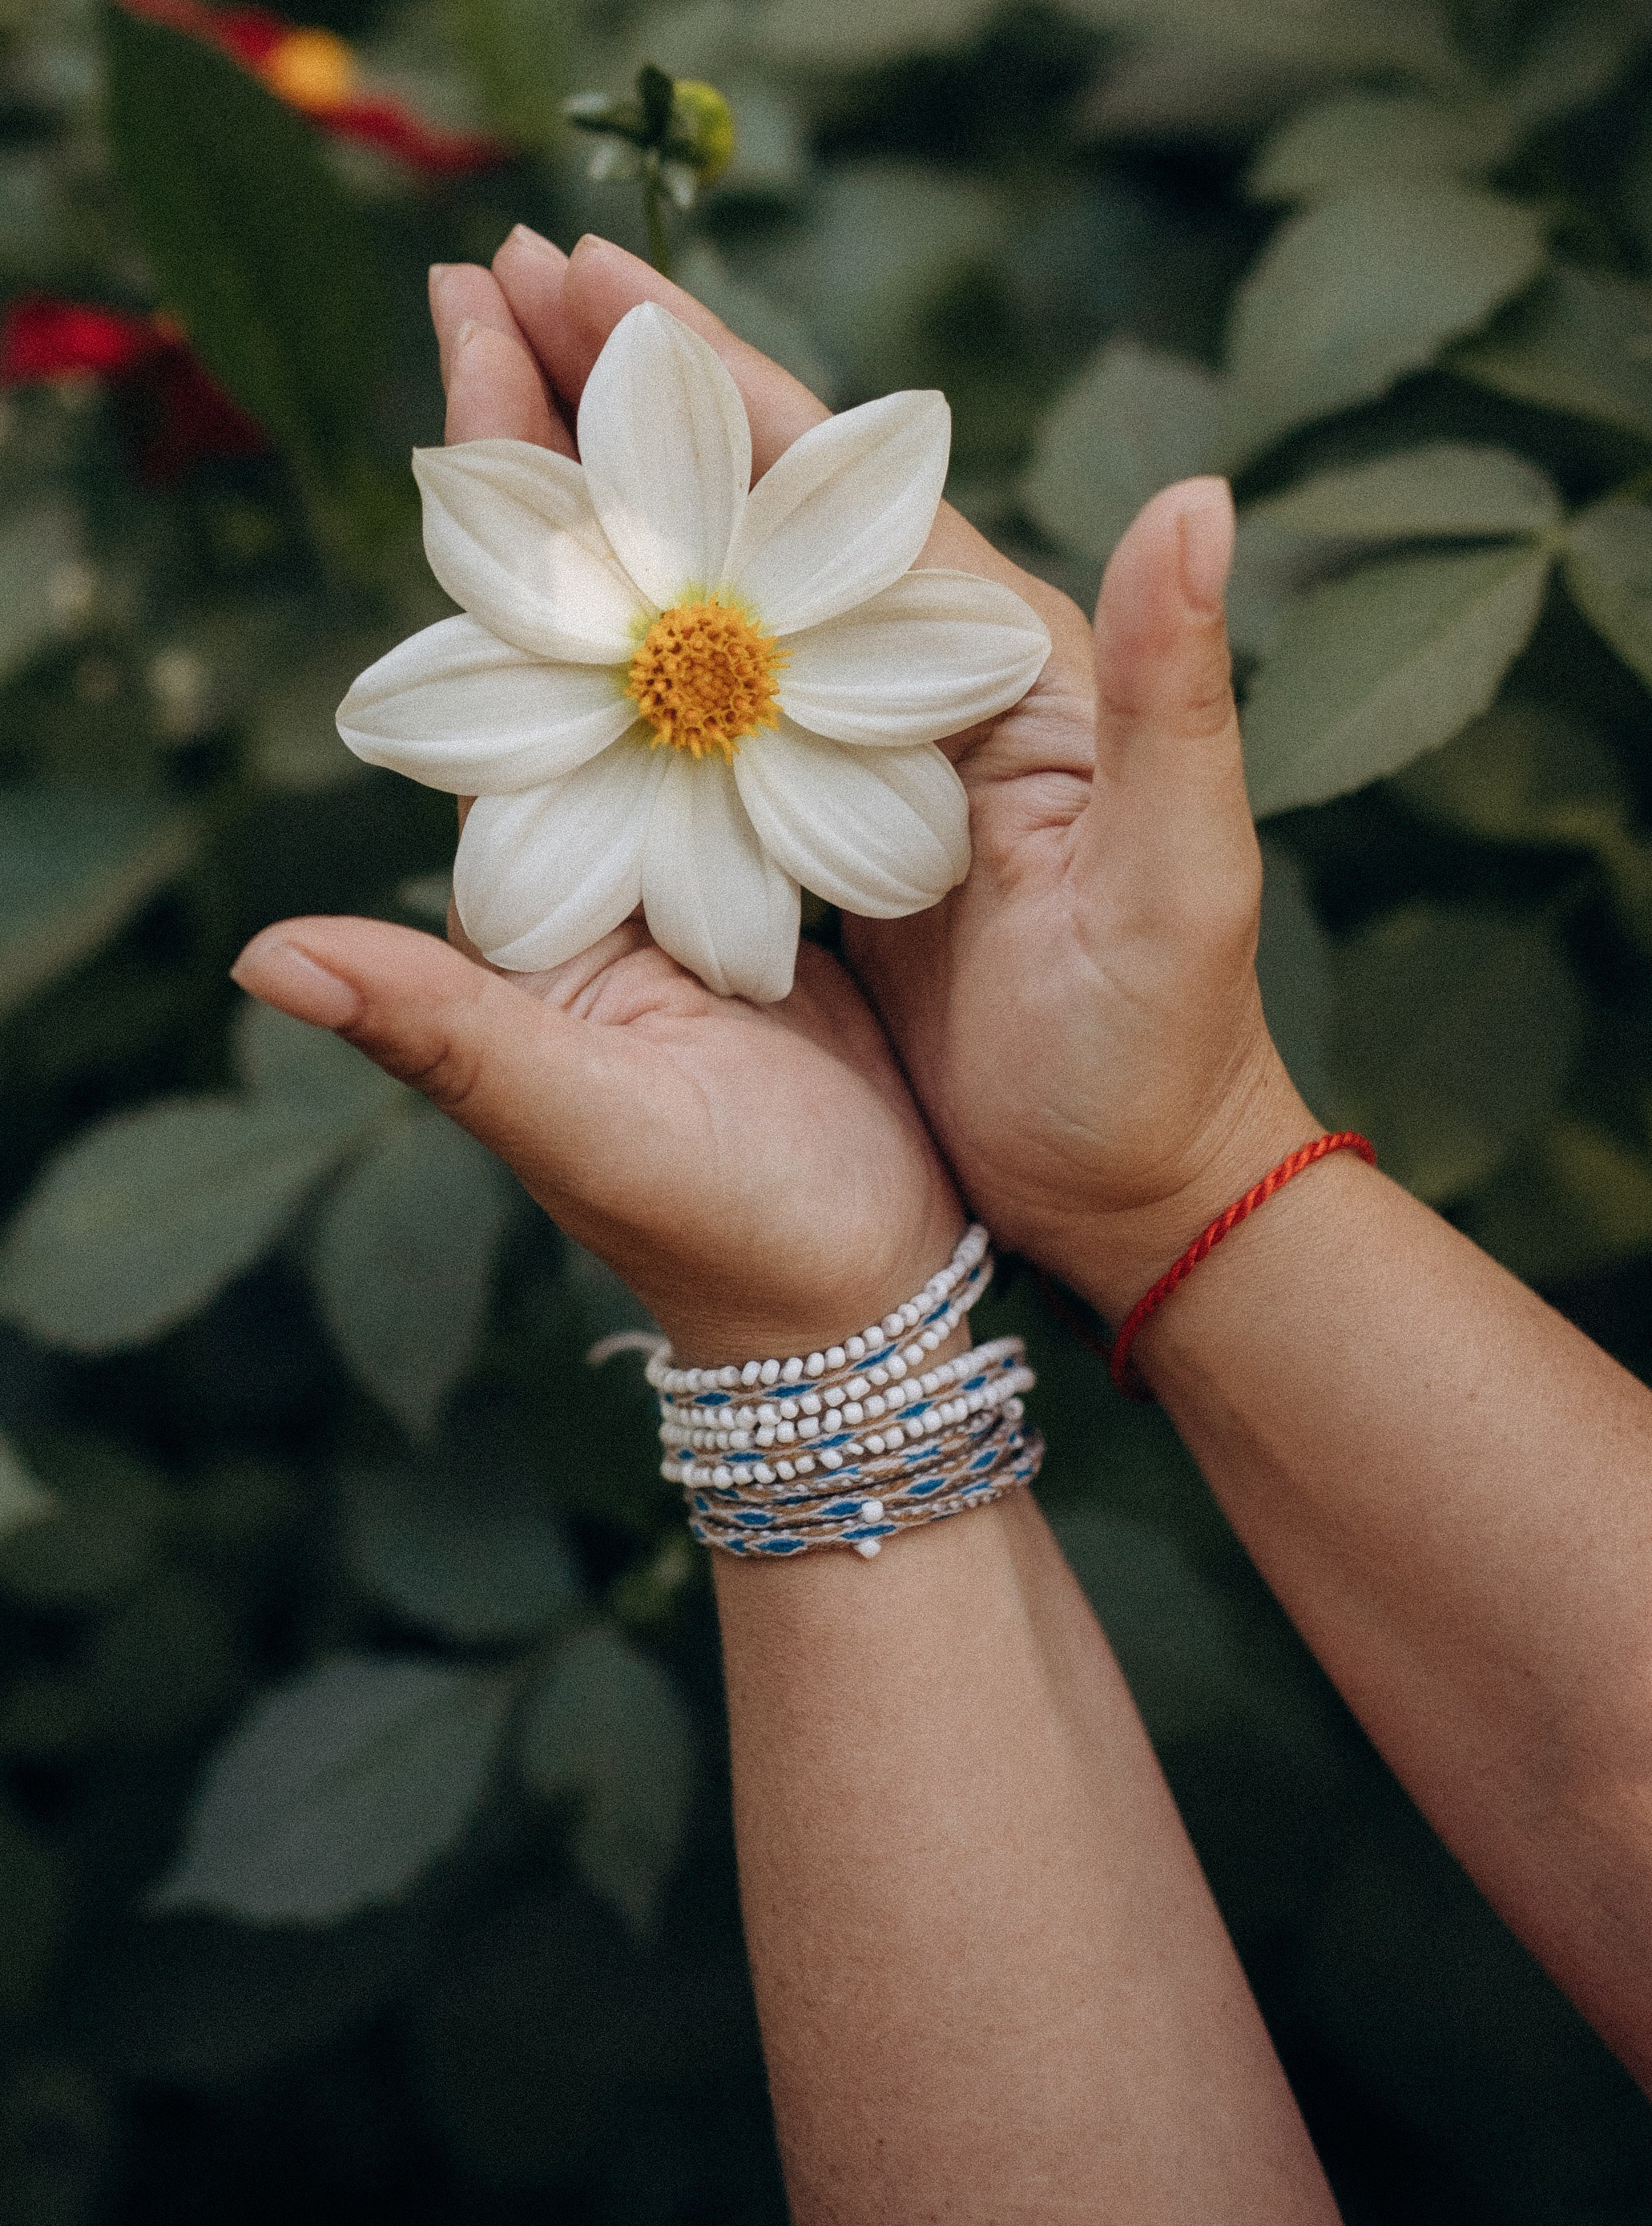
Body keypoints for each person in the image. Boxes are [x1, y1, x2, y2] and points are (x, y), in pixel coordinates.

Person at [232, 228, 1652, 2216]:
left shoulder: (792, 720)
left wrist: (832, 1326)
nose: (704, 668)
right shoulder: (656, 716)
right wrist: (1168, 1157)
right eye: (692, 663)